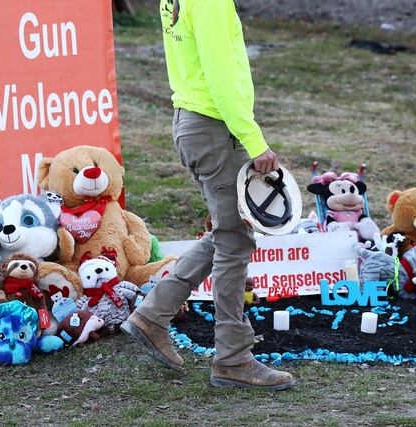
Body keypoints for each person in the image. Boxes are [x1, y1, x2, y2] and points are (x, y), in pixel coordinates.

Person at [121, 0, 295, 391]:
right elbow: (219, 75)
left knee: (226, 231)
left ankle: (153, 314)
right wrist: (254, 141)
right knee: (234, 240)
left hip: (192, 122)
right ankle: (233, 359)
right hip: (215, 127)